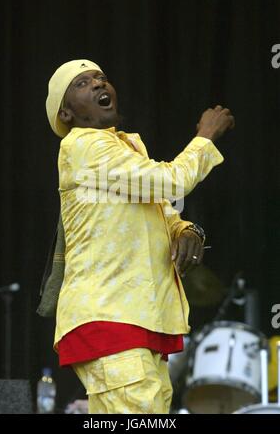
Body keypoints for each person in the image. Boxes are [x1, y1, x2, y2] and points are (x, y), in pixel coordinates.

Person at [45, 59, 235, 414]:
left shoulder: (124, 150)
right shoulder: (83, 146)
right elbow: (172, 181)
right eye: (82, 84)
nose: (99, 84)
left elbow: (163, 210)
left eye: (101, 78)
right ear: (67, 113)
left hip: (138, 316)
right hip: (110, 314)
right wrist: (205, 138)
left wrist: (189, 229)